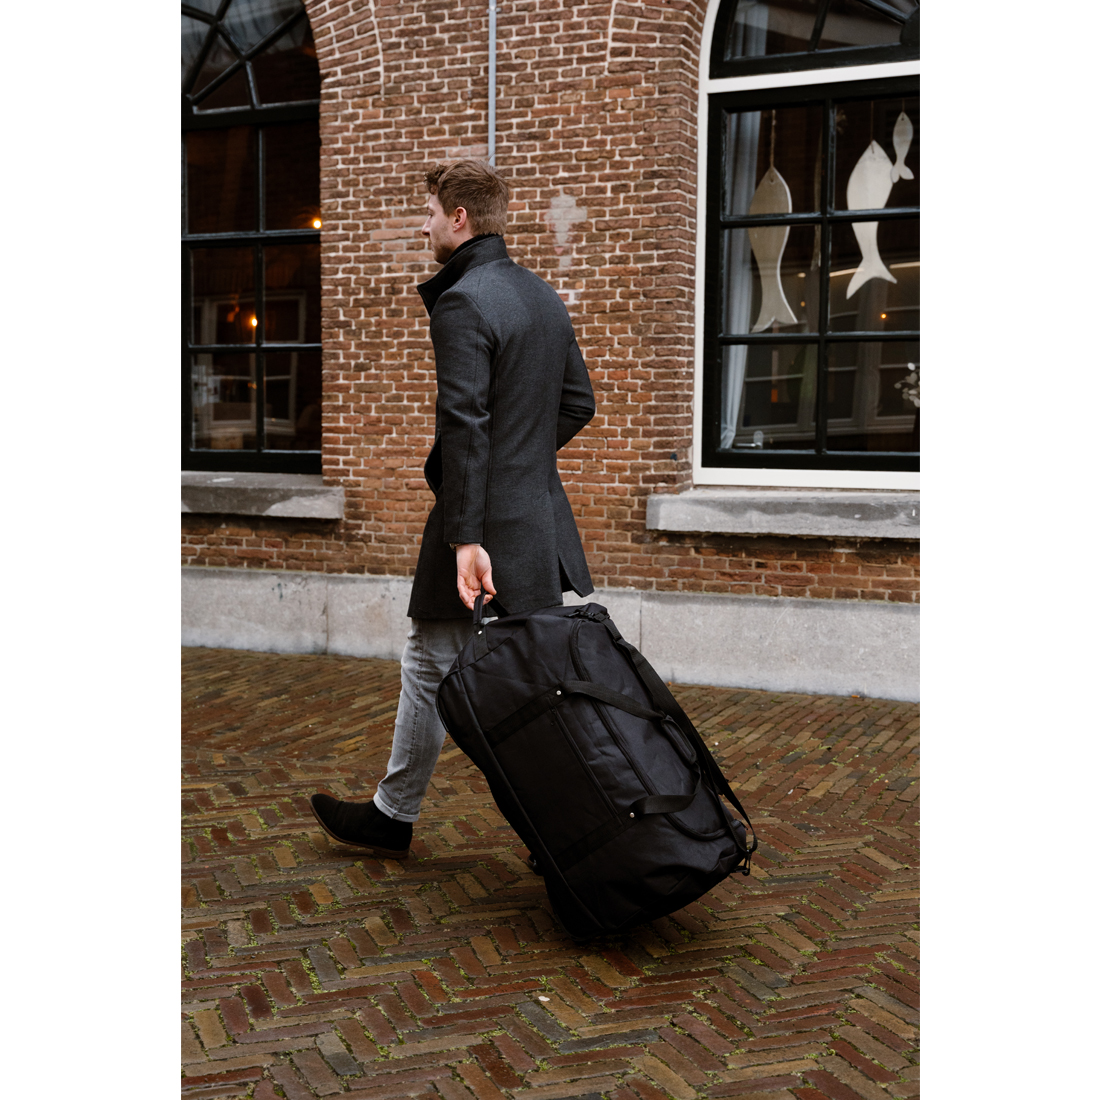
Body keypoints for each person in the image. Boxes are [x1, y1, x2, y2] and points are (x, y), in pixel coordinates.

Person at [310, 159, 596, 857]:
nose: (425, 225)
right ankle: (404, 812)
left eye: (431, 212)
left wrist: (467, 536)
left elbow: (465, 424)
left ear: (459, 218)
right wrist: (520, 466)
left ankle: (566, 835)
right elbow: (578, 404)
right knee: (500, 675)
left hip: (480, 531)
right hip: (537, 525)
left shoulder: (464, 301)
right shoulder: (542, 295)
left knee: (466, 674)